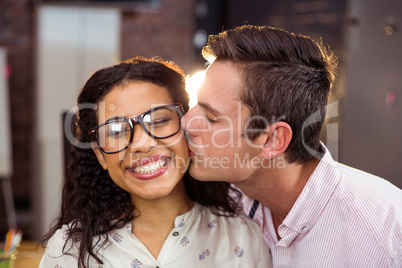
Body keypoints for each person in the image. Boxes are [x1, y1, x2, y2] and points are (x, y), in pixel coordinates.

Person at [182, 25, 402, 267]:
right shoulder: (217, 200)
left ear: (273, 140)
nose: (186, 122)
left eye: (211, 117)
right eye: (195, 104)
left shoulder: (385, 237)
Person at [39, 57, 272, 268]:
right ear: (100, 155)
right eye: (117, 131)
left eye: (159, 120)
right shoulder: (68, 251)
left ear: (187, 127)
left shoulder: (244, 240)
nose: (141, 143)